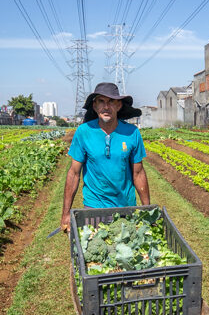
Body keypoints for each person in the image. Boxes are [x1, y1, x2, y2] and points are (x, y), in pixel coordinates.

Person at [60, 82, 150, 233]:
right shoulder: (84, 132)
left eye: (111, 102)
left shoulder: (132, 133)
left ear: (119, 105)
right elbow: (74, 173)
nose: (106, 107)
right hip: (94, 208)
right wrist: (65, 214)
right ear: (95, 106)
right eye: (101, 101)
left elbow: (138, 173)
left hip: (125, 207)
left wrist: (147, 209)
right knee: (94, 246)